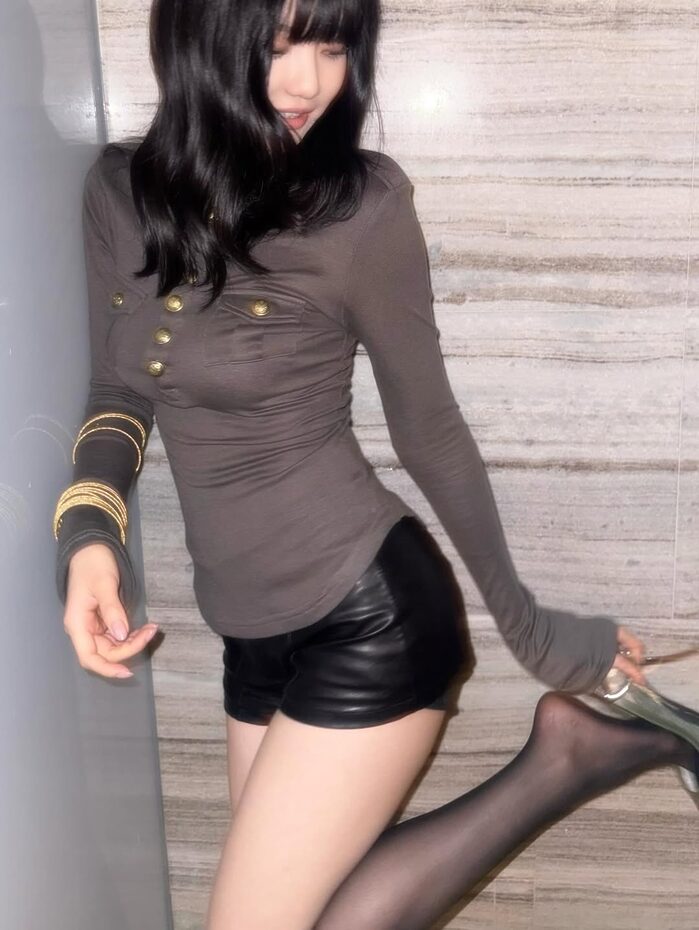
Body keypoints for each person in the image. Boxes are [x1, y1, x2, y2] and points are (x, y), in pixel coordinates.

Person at [52, 1, 699, 928]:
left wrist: (533, 632)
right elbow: (118, 391)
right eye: (279, 46)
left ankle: (572, 756)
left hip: (369, 617)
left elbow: (429, 429)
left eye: (333, 45)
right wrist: (87, 535)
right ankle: (571, 755)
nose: (310, 82)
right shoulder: (120, 191)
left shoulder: (360, 208)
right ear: (200, 34)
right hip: (249, 630)